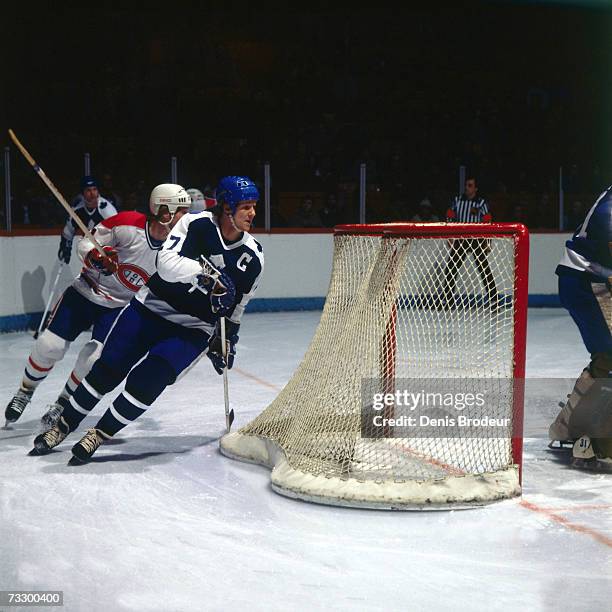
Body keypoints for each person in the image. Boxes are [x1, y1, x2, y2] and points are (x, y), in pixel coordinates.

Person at [31, 175, 264, 464]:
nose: (253, 214)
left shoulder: (253, 256)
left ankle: (99, 434)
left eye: (254, 206)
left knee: (149, 380)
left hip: (194, 328)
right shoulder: (194, 224)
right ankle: (64, 425)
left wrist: (228, 338)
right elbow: (166, 264)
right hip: (151, 307)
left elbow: (239, 303)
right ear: (227, 207)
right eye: (246, 207)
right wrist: (207, 277)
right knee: (107, 370)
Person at [4, 184, 191, 427]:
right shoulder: (127, 223)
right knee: (50, 345)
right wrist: (97, 257)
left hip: (119, 308)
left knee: (92, 360)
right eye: (181, 212)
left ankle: (62, 403)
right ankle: (25, 390)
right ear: (163, 211)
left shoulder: (175, 250)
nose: (187, 219)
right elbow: (86, 242)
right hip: (86, 291)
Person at [549, 185, 612, 472]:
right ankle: (597, 442)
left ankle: (571, 428)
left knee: (606, 356)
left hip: (586, 281)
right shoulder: (607, 213)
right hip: (587, 283)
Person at [437, 176, 498, 309]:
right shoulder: (458, 200)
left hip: (476, 239)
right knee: (451, 268)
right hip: (461, 238)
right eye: (466, 185)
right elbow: (450, 214)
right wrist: (450, 234)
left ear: (475, 188)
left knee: (484, 269)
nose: (467, 188)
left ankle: (494, 300)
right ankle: (447, 299)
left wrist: (487, 240)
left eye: (470, 185)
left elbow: (487, 220)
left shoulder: (481, 203)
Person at [58, 176, 118, 265]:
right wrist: (65, 247)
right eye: (88, 190)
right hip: (91, 251)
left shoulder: (107, 210)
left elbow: (118, 231)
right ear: (83, 193)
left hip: (108, 249)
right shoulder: (78, 210)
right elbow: (68, 231)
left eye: (94, 189)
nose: (92, 193)